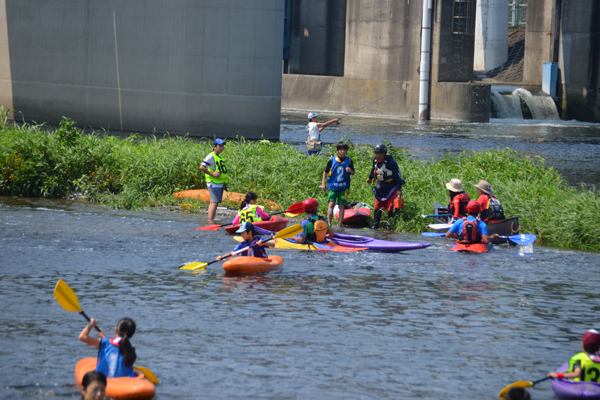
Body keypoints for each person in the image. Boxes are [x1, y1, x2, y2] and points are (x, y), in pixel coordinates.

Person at [366, 143, 405, 230]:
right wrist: (370, 178)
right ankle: (375, 225)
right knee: (377, 205)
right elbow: (373, 169)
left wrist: (399, 189)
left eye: (380, 154)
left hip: (391, 187)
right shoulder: (375, 160)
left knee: (390, 206)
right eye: (376, 154)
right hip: (380, 186)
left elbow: (398, 176)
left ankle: (388, 226)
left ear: (384, 154)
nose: (378, 156)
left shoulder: (391, 162)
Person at [321, 141, 355, 227]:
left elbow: (353, 172)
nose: (343, 152)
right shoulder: (332, 160)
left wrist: (350, 171)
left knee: (342, 205)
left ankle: (340, 224)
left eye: (344, 150)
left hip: (344, 187)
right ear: (337, 150)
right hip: (333, 186)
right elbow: (325, 171)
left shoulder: (349, 160)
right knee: (331, 204)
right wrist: (323, 183)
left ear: (347, 151)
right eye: (341, 150)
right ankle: (329, 223)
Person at [199, 138, 228, 223]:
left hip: (218, 182)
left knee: (213, 202)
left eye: (223, 146)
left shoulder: (219, 156)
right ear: (214, 147)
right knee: (215, 202)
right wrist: (212, 174)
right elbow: (202, 167)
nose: (222, 148)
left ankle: (210, 219)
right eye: (220, 146)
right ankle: (211, 221)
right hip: (214, 182)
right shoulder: (211, 156)